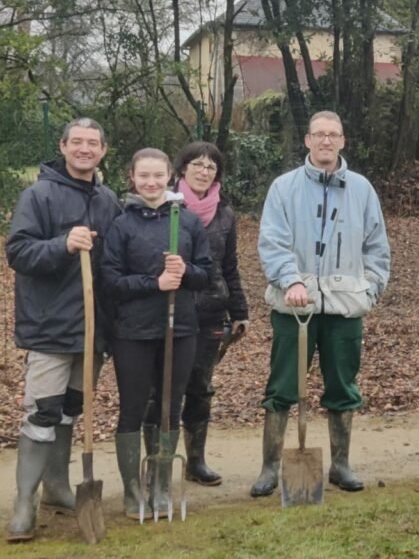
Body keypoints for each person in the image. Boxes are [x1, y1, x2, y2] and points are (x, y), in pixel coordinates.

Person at [251, 111, 390, 497]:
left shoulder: (362, 189)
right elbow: (272, 241)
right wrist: (290, 279)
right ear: (307, 141)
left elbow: (377, 247)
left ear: (343, 141)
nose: (326, 141)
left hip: (344, 310)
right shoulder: (284, 187)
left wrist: (371, 291)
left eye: (333, 135)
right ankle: (270, 467)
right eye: (319, 135)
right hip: (294, 308)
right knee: (282, 387)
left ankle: (341, 464)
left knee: (343, 387)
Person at [5, 119, 122, 543]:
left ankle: (57, 487)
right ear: (63, 146)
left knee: (72, 411)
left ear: (104, 150)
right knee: (42, 413)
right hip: (51, 328)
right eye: (77, 142)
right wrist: (63, 244)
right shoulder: (38, 195)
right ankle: (23, 504)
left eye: (93, 143)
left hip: (93, 332)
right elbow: (17, 251)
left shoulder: (108, 200)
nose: (85, 149)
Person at [102, 148, 212, 518]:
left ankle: (161, 484)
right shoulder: (122, 224)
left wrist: (184, 271)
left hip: (180, 328)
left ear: (170, 176)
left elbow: (206, 275)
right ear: (131, 178)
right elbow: (111, 280)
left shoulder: (189, 222)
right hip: (133, 332)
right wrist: (156, 282)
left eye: (158, 175)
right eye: (143, 176)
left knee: (170, 405)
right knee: (133, 407)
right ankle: (134, 491)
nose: (151, 182)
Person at [142, 142, 249, 486]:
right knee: (159, 389)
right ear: (182, 169)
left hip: (209, 312)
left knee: (200, 387)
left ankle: (196, 461)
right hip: (165, 309)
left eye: (211, 167)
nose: (204, 171)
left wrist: (239, 309)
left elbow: (229, 266)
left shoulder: (225, 214)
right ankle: (157, 462)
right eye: (197, 165)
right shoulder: (162, 206)